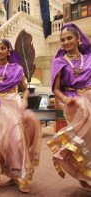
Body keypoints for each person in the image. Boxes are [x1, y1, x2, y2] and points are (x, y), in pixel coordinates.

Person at [0, 39, 42, 193]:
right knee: (0, 142)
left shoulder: (17, 69)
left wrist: (25, 99)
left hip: (13, 104)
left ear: (9, 51)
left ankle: (23, 177)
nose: (0, 51)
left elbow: (26, 89)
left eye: (3, 48)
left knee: (17, 140)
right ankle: (12, 176)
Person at [48, 23, 91, 192]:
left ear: (78, 39)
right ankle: (77, 169)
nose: (65, 42)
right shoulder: (59, 62)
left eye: (69, 38)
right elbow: (56, 89)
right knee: (80, 141)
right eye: (62, 39)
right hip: (74, 104)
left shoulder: (89, 58)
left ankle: (85, 175)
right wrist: (66, 99)